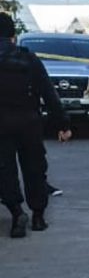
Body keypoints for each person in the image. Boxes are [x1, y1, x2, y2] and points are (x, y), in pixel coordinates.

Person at [0, 13, 72, 238]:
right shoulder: (29, 58)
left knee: (4, 172)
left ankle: (16, 214)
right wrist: (62, 123)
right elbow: (48, 92)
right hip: (29, 123)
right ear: (13, 36)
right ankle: (38, 217)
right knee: (35, 169)